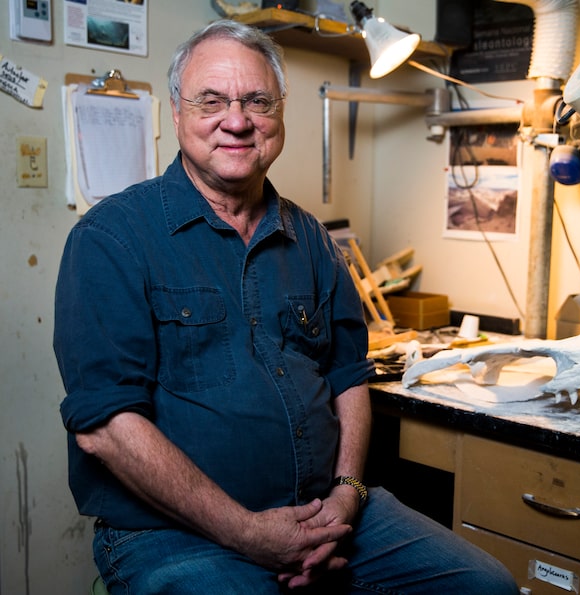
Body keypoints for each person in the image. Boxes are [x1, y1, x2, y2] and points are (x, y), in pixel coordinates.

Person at [54, 19, 517, 595]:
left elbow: (348, 375)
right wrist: (249, 533)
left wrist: (347, 495)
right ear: (176, 113)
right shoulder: (111, 238)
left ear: (279, 116)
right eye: (212, 101)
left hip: (326, 511)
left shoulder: (314, 241)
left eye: (257, 101)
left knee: (485, 585)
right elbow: (105, 428)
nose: (237, 120)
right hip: (170, 533)